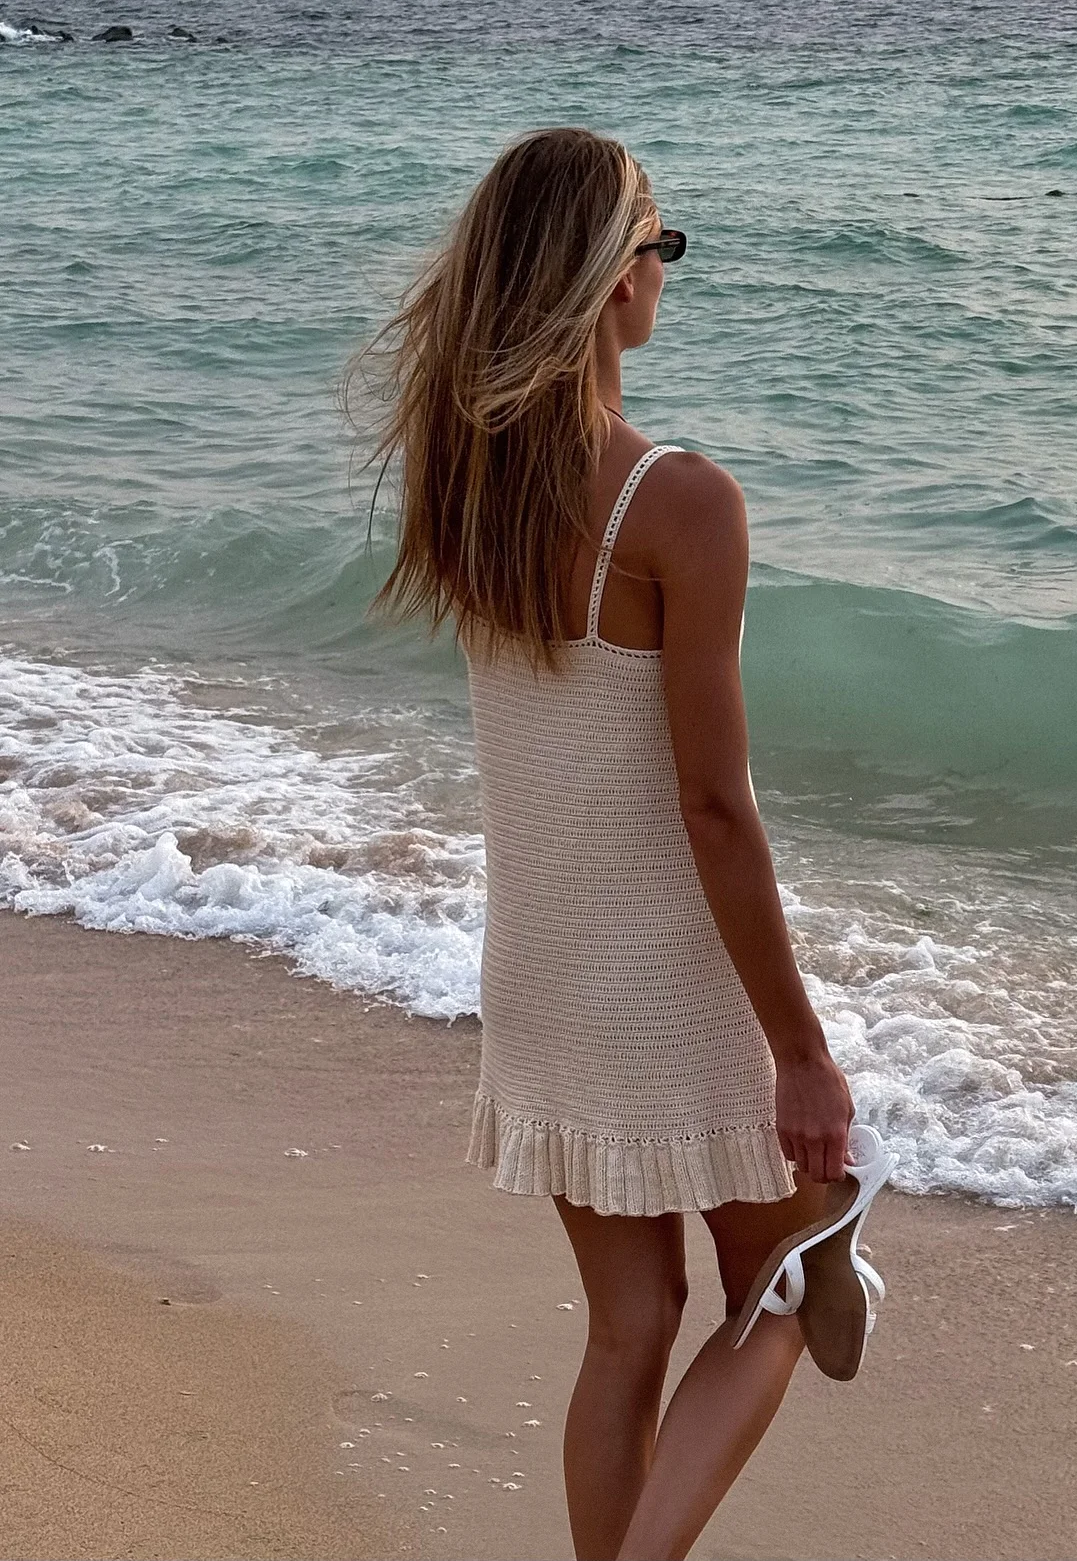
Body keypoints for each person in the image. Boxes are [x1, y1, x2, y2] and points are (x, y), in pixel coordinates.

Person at [352, 127, 881, 1561]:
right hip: (663, 980)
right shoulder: (679, 503)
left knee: (629, 1327)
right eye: (662, 242)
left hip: (539, 969)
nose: (667, 268)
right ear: (611, 277)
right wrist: (801, 1048)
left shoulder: (468, 488)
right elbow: (715, 807)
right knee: (786, 1275)